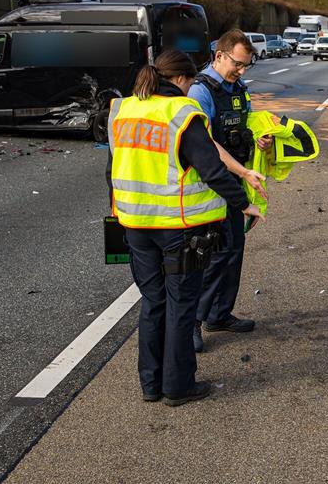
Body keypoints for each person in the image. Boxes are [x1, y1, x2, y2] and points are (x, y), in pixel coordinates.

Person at [106, 49, 265, 406]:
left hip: (134, 224)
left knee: (153, 303)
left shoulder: (124, 109)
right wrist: (243, 203)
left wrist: (117, 210)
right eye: (190, 81)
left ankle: (151, 384)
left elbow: (112, 169)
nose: (191, 86)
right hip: (178, 229)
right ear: (180, 79)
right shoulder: (181, 113)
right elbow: (210, 169)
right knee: (181, 304)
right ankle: (178, 386)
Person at [188, 30, 272, 352]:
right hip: (211, 182)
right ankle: (195, 320)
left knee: (234, 247)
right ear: (219, 56)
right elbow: (205, 143)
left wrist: (258, 139)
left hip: (235, 179)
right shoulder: (201, 91)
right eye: (237, 64)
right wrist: (242, 172)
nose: (241, 70)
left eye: (246, 66)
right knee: (212, 252)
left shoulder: (238, 87)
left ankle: (219, 314)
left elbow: (243, 124)